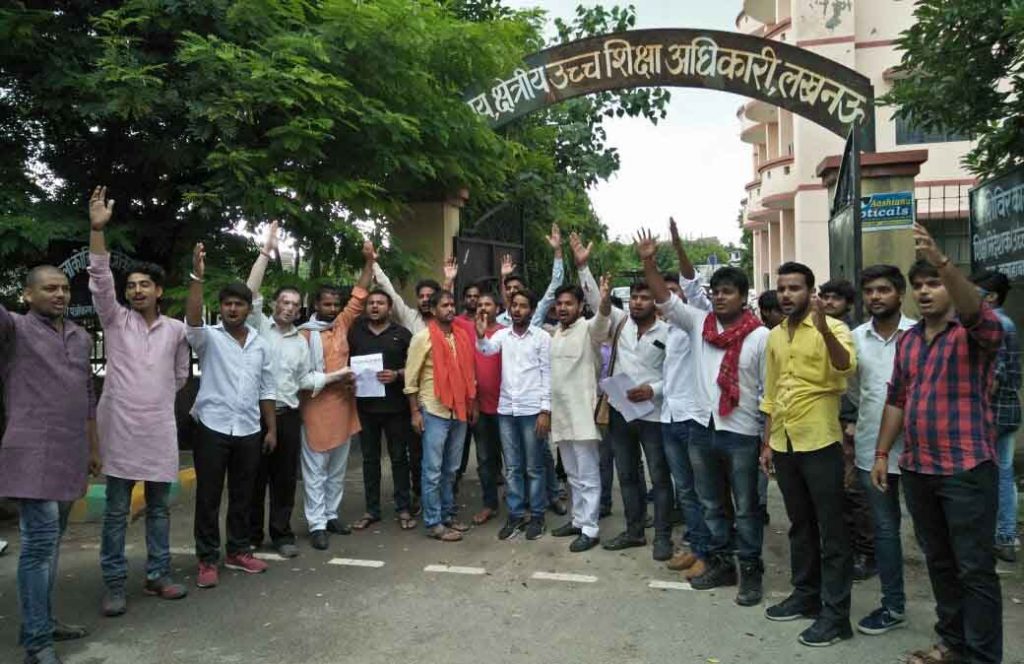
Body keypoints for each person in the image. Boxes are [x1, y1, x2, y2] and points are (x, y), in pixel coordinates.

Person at [873, 224, 1005, 664]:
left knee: (974, 570)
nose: (926, 292)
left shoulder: (977, 333)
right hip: (918, 469)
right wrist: (879, 453)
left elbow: (975, 311)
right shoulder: (909, 341)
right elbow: (897, 399)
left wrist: (945, 263)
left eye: (934, 284)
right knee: (940, 564)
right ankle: (952, 645)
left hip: (966, 469)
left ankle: (982, 657)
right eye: (919, 286)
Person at [639, 228, 768, 606]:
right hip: (702, 428)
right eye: (717, 292)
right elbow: (663, 296)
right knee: (711, 503)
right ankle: (721, 563)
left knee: (745, 508)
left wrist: (767, 439)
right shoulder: (700, 323)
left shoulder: (759, 336)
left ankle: (751, 571)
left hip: (742, 431)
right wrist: (649, 261)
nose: (721, 297)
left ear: (744, 298)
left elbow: (768, 392)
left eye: (729, 292)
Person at [87, 186, 190, 616]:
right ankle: (113, 585)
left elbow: (180, 376)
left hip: (158, 431)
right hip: (120, 429)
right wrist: (97, 231)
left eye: (145, 284)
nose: (136, 291)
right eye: (131, 285)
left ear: (159, 291)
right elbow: (99, 280)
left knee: (159, 510)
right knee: (114, 512)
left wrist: (156, 398)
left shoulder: (176, 331)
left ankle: (157, 575)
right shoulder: (114, 320)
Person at [1, 265, 96, 664]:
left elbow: (88, 395)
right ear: (27, 295)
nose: (59, 294)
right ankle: (38, 644)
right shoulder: (15, 331)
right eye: (48, 289)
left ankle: (42, 621)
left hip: (69, 452)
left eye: (64, 288)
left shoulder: (80, 337)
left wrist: (94, 449)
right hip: (30, 454)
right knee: (38, 546)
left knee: (51, 545)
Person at [759, 261, 856, 647]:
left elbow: (845, 367)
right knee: (800, 525)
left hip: (820, 441)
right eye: (782, 288)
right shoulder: (774, 337)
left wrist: (821, 329)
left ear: (810, 292)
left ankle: (836, 616)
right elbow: (770, 392)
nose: (786, 295)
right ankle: (806, 596)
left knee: (832, 531)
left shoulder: (835, 328)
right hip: (784, 442)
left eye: (794, 288)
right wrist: (767, 442)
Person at [185, 244, 276, 588]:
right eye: (227, 304)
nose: (233, 308)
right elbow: (193, 319)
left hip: (250, 430)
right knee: (208, 496)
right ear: (220, 308)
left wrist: (271, 429)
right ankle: (207, 559)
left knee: (244, 493)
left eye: (239, 303)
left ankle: (238, 551)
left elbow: (266, 388)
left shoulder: (259, 343)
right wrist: (197, 276)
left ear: (248, 308)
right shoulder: (208, 338)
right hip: (212, 427)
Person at [848, 265, 916, 636]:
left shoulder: (919, 335)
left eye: (884, 290)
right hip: (872, 449)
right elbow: (855, 391)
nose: (875, 297)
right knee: (886, 531)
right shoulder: (856, 338)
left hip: (922, 452)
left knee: (932, 536)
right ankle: (893, 605)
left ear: (900, 294)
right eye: (870, 291)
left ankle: (954, 615)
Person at [297, 243, 374, 550]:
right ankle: (316, 524)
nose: (332, 309)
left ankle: (330, 515)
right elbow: (300, 379)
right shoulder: (303, 335)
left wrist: (369, 261)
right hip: (315, 408)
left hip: (343, 407)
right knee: (315, 470)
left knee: (337, 469)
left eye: (335, 304)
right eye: (327, 304)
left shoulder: (340, 325)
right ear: (316, 304)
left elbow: (360, 294)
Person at [244, 221, 312, 558]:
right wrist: (265, 251)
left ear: (299, 311)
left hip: (288, 416)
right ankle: (253, 535)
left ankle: (281, 534)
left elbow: (306, 380)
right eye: (283, 302)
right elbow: (249, 291)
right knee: (254, 477)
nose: (288, 308)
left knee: (285, 480)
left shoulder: (301, 342)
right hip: (255, 414)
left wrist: (339, 376)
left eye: (294, 305)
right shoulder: (257, 327)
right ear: (274, 303)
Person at [593, 272, 672, 561]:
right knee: (626, 474)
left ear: (656, 302)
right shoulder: (620, 323)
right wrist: (582, 267)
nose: (637, 303)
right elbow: (596, 301)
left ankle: (663, 537)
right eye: (634, 298)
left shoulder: (668, 332)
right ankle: (634, 531)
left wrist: (653, 390)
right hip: (621, 412)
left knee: (660, 478)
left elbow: (675, 375)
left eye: (644, 297)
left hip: (656, 416)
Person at [476, 289, 552, 540]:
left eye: (523, 306)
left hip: (532, 411)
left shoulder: (541, 337)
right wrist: (479, 334)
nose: (517, 309)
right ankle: (516, 515)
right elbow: (486, 350)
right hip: (507, 410)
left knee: (534, 466)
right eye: (514, 305)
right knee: (512, 468)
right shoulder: (502, 335)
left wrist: (545, 410)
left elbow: (547, 375)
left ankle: (538, 516)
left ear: (531, 310)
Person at [404, 290, 478, 542]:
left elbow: (469, 374)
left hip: (458, 411)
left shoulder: (461, 338)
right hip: (433, 410)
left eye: (451, 304)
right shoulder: (422, 338)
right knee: (433, 469)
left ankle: (448, 515)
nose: (450, 308)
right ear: (434, 310)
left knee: (452, 468)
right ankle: (433, 521)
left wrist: (471, 405)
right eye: (444, 305)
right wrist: (415, 412)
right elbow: (411, 380)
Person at [820, 278, 876, 582]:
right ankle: (844, 548)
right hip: (825, 422)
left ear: (849, 304)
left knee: (855, 491)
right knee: (835, 491)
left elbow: (856, 384)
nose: (829, 303)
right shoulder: (815, 330)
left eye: (835, 298)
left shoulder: (854, 336)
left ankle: (866, 553)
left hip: (849, 422)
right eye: (825, 297)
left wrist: (853, 420)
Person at [347, 288, 417, 531]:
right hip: (366, 409)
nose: (375, 306)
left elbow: (418, 369)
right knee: (369, 460)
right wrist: (349, 379)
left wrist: (397, 374)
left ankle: (403, 508)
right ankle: (372, 510)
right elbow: (346, 365)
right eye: (371, 303)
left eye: (380, 303)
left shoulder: (403, 334)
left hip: (397, 408)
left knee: (399, 459)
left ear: (389, 308)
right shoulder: (355, 334)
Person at [970, 268, 1021, 563]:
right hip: (1008, 410)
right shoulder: (1008, 322)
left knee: (994, 475)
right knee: (1004, 473)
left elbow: (995, 375)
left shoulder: (995, 322)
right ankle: (1006, 537)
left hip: (992, 413)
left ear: (990, 296)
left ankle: (999, 536)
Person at [453, 290, 505, 525]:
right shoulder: (466, 330)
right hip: (480, 407)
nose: (483, 307)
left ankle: (520, 505)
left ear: (498, 308)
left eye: (488, 303)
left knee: (513, 460)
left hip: (506, 407)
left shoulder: (506, 333)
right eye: (480, 304)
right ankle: (489, 504)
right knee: (484, 459)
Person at [496, 223, 565, 328]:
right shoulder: (498, 321)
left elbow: (555, 285)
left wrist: (558, 250)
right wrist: (503, 277)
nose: (512, 291)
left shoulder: (536, 314)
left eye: (516, 288)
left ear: (525, 290)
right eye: (508, 288)